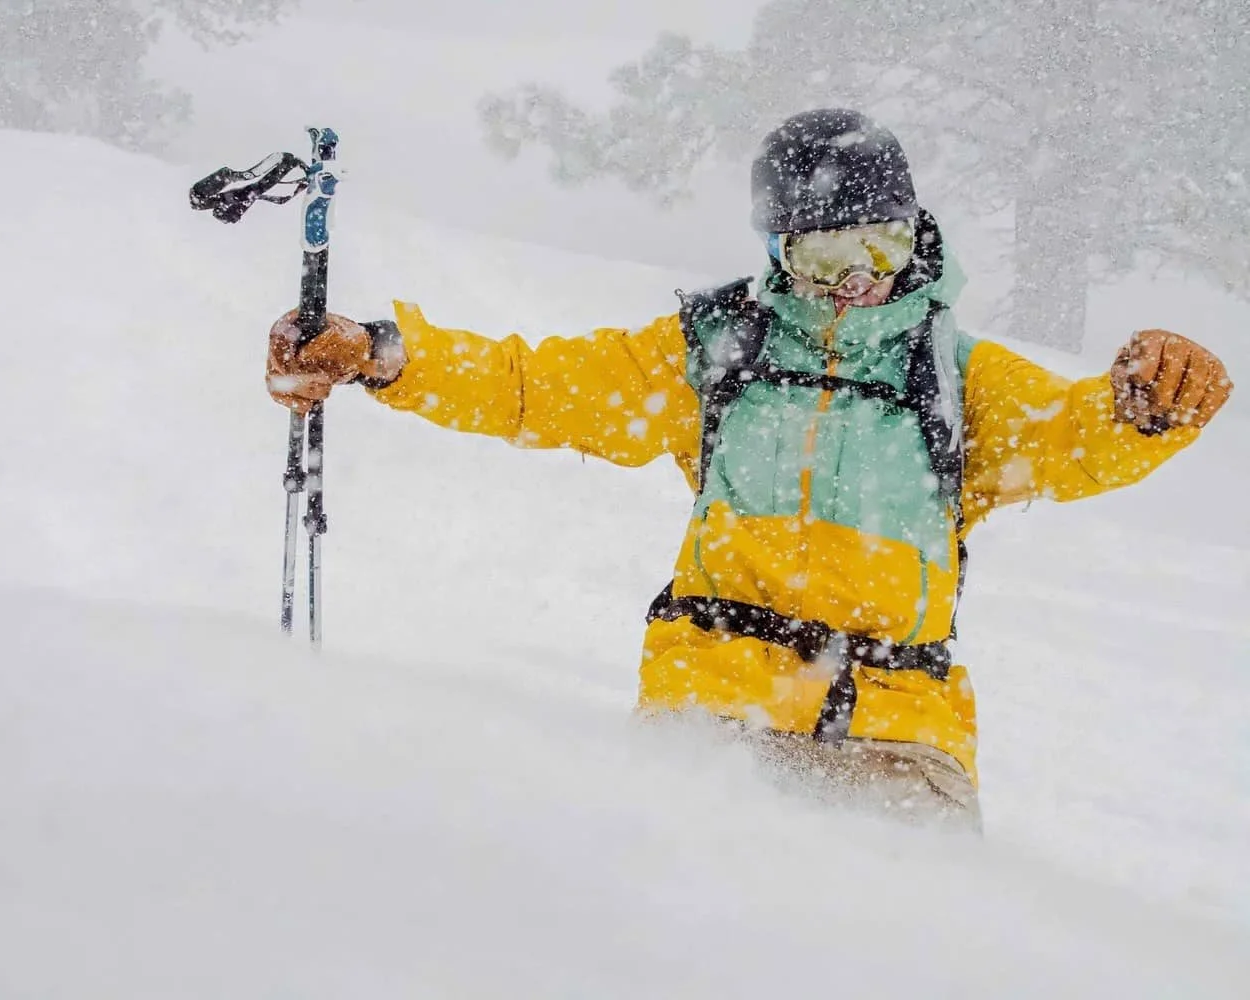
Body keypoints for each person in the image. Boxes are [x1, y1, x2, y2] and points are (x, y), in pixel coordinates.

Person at [262, 108, 1233, 829]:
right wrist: (387, 353)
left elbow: (1073, 435)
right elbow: (535, 385)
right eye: (825, 255)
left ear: (913, 236)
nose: (857, 282)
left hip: (904, 744)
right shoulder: (715, 349)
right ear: (778, 251)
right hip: (715, 716)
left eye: (880, 248)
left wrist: (1147, 408)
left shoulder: (952, 375)